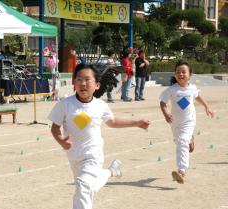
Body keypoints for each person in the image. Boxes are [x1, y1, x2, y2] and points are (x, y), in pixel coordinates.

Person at [48, 63, 150, 209]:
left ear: (96, 85)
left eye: (87, 80)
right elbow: (55, 127)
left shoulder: (100, 105)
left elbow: (113, 122)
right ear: (74, 83)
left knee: (83, 186)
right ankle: (111, 171)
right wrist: (61, 141)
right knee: (87, 187)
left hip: (93, 155)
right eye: (78, 79)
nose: (82, 83)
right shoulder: (65, 104)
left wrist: (136, 122)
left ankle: (109, 172)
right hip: (74, 156)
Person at [159, 60, 214, 184]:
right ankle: (189, 139)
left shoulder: (193, 88)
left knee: (182, 142)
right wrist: (166, 113)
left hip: (189, 121)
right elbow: (162, 102)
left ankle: (181, 170)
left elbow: (197, 96)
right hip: (175, 122)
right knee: (179, 141)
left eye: (184, 72)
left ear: (190, 74)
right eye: (178, 72)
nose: (181, 74)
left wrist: (206, 106)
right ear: (175, 74)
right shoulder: (172, 90)